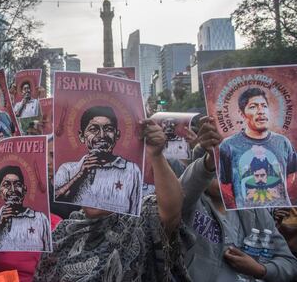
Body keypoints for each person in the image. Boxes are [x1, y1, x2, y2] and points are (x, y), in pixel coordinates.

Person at [34, 119, 190, 281]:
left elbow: (171, 213)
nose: (96, 190)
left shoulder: (139, 221)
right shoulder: (61, 234)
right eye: (89, 180)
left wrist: (156, 156)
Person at [181, 116, 297, 282]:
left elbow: (289, 263)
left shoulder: (254, 210)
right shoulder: (189, 205)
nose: (222, 177)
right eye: (216, 170)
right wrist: (209, 161)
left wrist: (260, 269)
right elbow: (183, 191)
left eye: (227, 169)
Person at [54, 105, 142, 215]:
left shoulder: (131, 170)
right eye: (93, 129)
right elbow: (54, 203)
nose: (101, 135)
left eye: (108, 129)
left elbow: (134, 212)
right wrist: (79, 176)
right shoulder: (67, 169)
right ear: (82, 136)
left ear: (117, 135)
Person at [219, 87, 297, 208]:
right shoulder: (228, 146)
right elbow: (224, 184)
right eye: (253, 107)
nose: (261, 111)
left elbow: (292, 175)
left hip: (282, 217)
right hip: (247, 219)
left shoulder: (283, 142)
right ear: (241, 113)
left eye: (264, 106)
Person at [0, 165, 51, 252]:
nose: (13, 189)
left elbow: (49, 254)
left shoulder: (40, 219)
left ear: (24, 190)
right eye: (6, 185)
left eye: (17, 185)